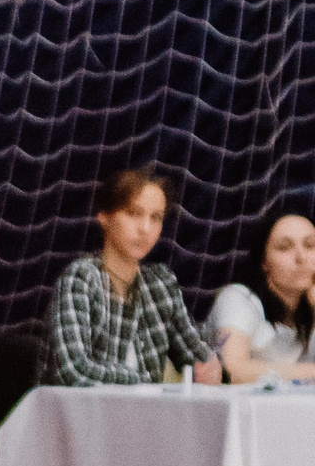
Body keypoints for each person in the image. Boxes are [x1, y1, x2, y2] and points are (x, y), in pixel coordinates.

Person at [40, 165, 222, 387]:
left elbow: (197, 357)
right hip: (81, 417)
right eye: (134, 214)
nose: (145, 228)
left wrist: (211, 366)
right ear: (104, 217)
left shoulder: (160, 283)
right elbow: (72, 371)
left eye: (156, 218)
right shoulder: (81, 278)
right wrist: (145, 384)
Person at [208, 201, 315, 385]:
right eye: (285, 247)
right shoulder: (238, 298)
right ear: (264, 262)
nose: (301, 257)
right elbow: (232, 370)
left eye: (310, 245)